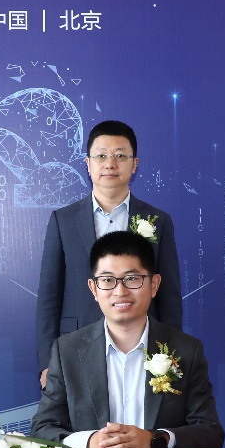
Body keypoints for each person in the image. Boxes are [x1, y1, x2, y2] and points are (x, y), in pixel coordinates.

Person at [32, 230, 224, 448]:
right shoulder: (67, 352)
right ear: (93, 289)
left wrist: (155, 441)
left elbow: (210, 433)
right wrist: (88, 443)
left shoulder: (186, 350)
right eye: (107, 280)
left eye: (132, 279)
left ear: (154, 284)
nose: (120, 291)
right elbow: (41, 430)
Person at [37, 120, 181, 386]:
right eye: (101, 156)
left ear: (134, 164)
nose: (110, 164)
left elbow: (169, 297)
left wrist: (168, 357)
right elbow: (49, 296)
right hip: (75, 347)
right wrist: (48, 363)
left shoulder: (158, 221)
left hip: (142, 348)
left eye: (120, 156)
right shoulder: (63, 220)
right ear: (88, 163)